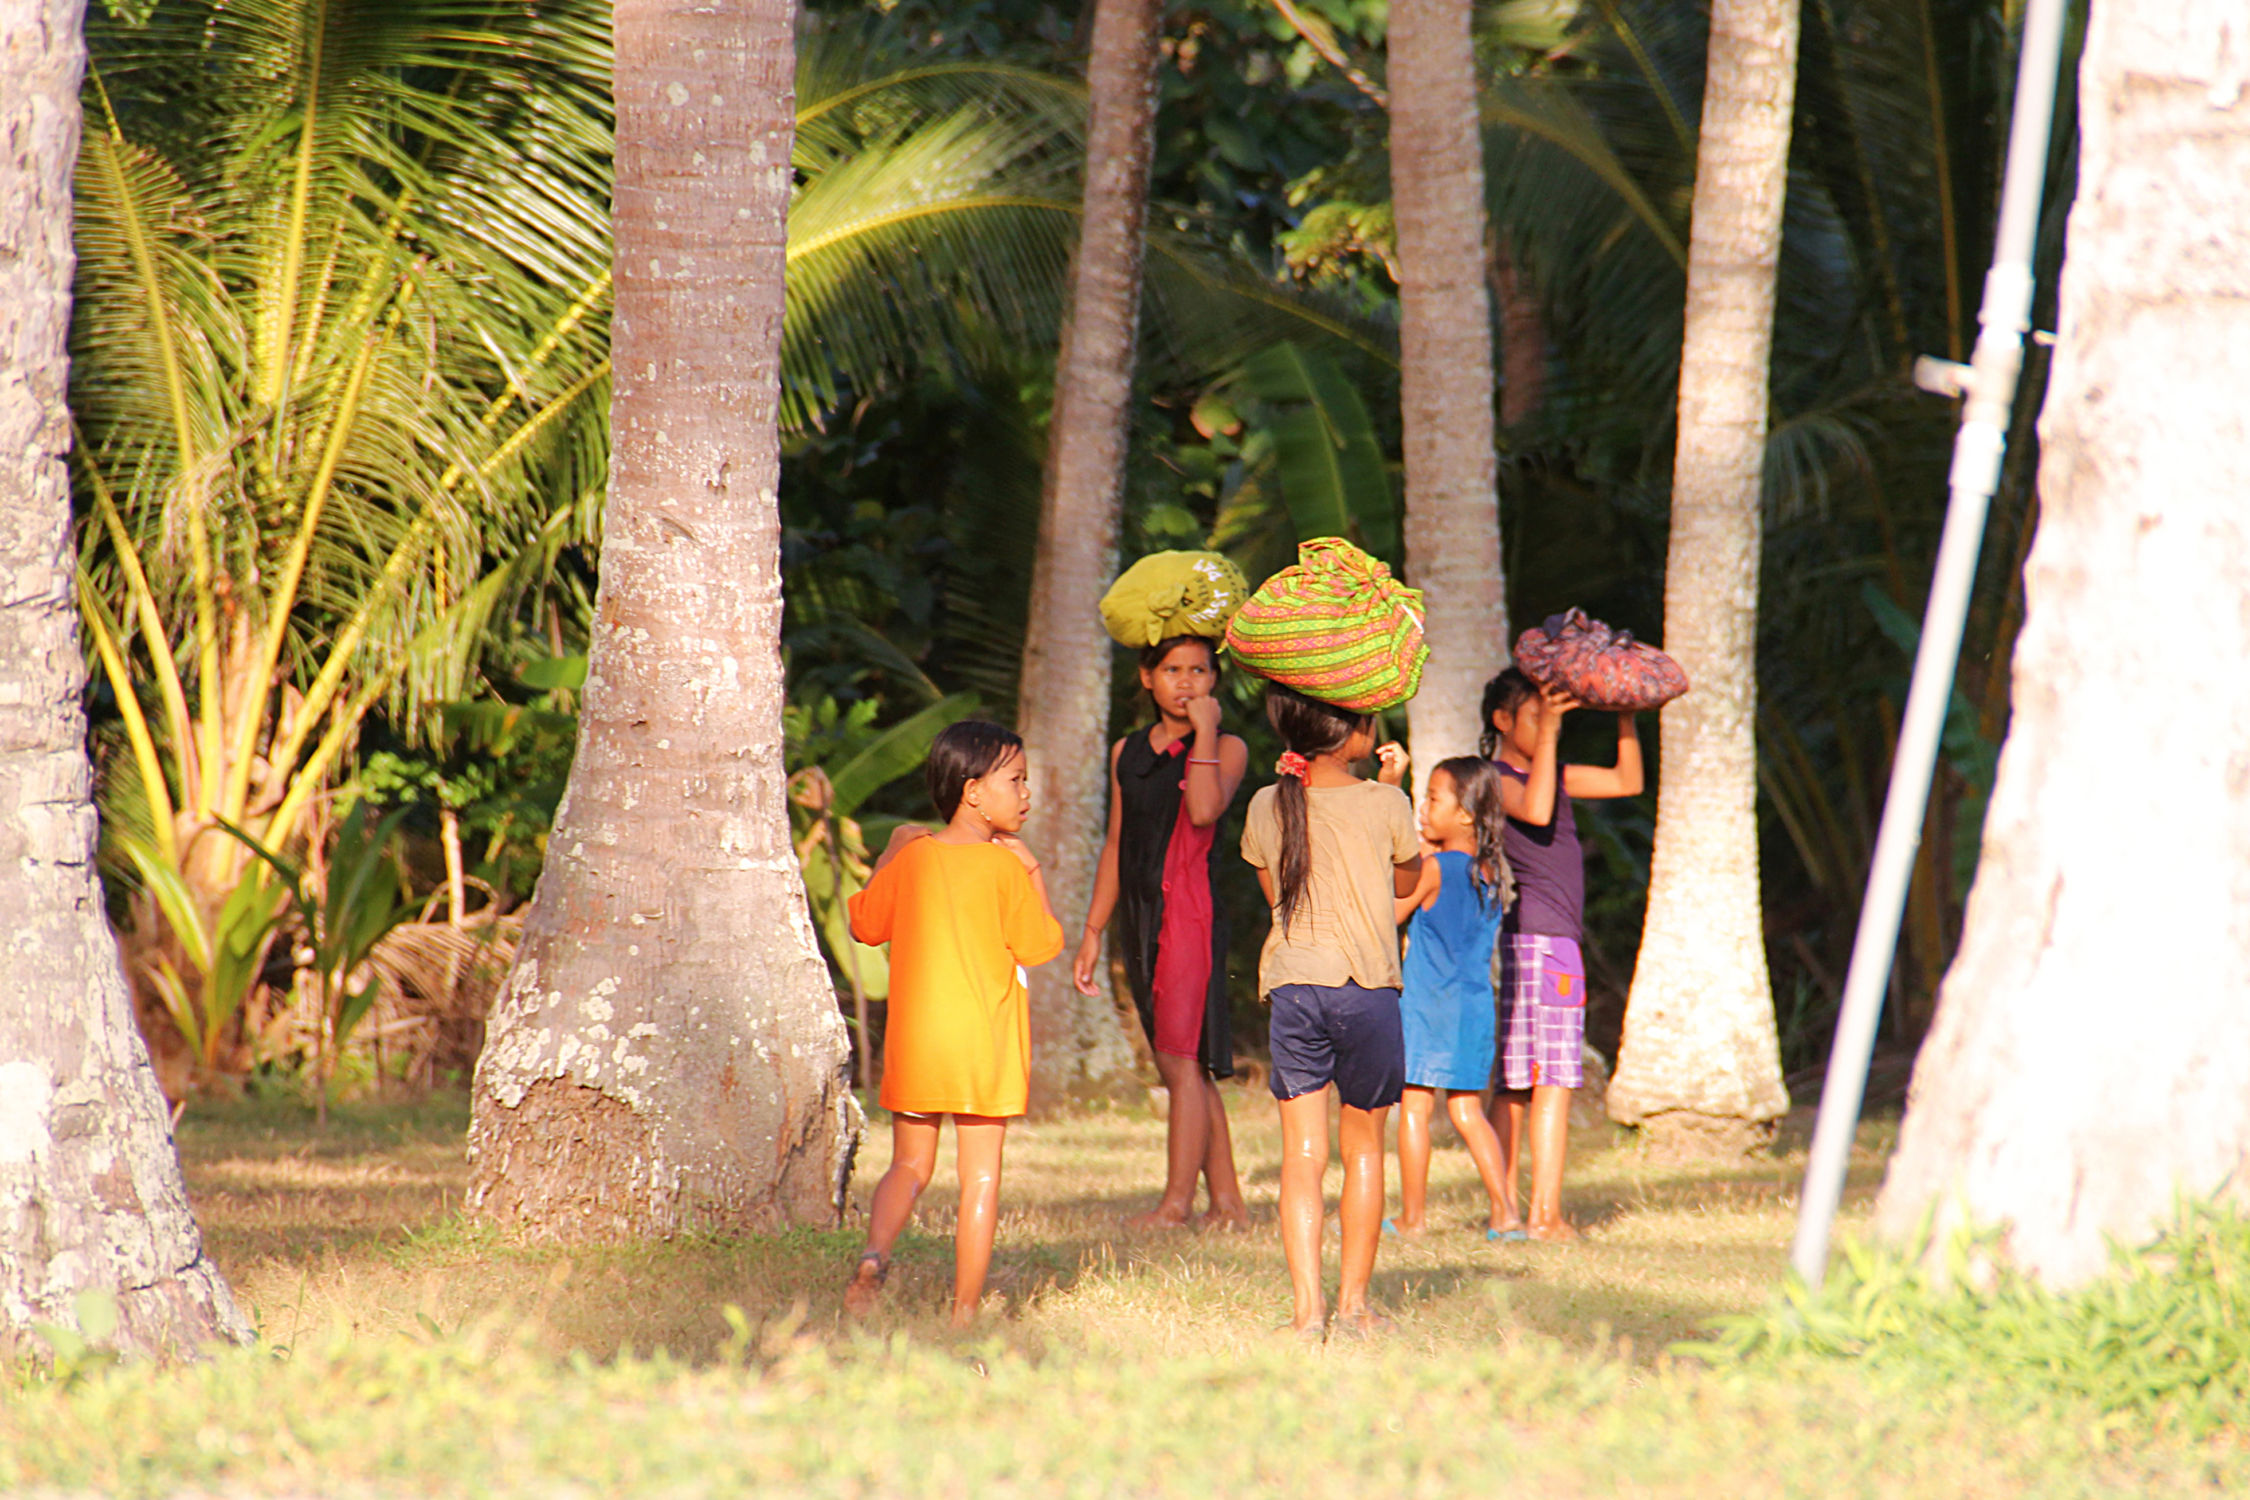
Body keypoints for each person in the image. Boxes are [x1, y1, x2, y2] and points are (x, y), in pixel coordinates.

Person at [843, 720, 1065, 1325]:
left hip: (919, 1042)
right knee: (980, 1177)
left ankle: (873, 1255)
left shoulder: (914, 858)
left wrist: (892, 850)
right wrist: (1033, 872)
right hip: (982, 1045)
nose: (1026, 794)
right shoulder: (1003, 869)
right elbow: (1042, 942)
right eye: (1015, 780)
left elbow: (864, 923)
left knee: (910, 1165)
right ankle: (964, 1311)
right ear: (973, 792)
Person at [1241, 686, 1421, 1340]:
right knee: (1365, 1149)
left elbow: (1276, 896)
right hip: (1368, 988)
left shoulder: (1267, 803)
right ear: (1352, 732)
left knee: (1302, 1156)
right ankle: (1354, 1308)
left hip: (1295, 986)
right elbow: (1404, 883)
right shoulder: (1386, 801)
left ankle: (1306, 1312)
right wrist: (1389, 787)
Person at [1074, 636, 1251, 1231]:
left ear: (1214, 683)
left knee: (1180, 1064)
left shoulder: (1227, 748)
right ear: (1147, 678)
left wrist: (1202, 734)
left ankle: (1175, 1205)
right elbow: (1117, 842)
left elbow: (1202, 811)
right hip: (1140, 916)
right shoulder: (1127, 750)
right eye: (1172, 669)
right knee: (1187, 1065)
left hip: (1189, 913)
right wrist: (1095, 929)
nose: (1185, 681)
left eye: (1199, 671)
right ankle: (1227, 1205)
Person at [1481, 668, 1643, 1243]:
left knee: (1529, 1082)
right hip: (1539, 941)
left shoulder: (1556, 773)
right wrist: (1550, 735)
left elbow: (1628, 780)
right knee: (1537, 1083)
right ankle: (1535, 1217)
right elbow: (1538, 809)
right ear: (1502, 722)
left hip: (1550, 941)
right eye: (1533, 715)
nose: (1547, 725)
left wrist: (1624, 711)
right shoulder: (1494, 779)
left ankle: (1516, 1214)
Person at [1386, 756, 1522, 1242]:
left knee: (1415, 1106)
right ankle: (1506, 1214)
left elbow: (1389, 913)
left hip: (1428, 1007)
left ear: (1465, 814)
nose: (1423, 808)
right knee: (1467, 1111)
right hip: (1473, 1007)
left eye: (1432, 799)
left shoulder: (1435, 868)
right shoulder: (1489, 871)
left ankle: (1413, 1218)